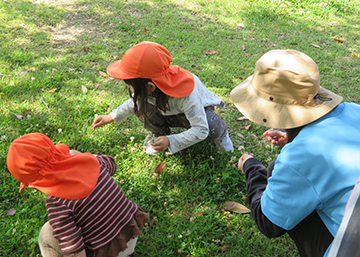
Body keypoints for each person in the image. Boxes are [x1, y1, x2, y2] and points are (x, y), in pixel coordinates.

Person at [231, 49, 360, 257]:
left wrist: (251, 167)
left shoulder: (299, 157)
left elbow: (268, 223)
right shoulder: (355, 110)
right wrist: (295, 139)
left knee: (281, 185)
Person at [6, 133, 149, 257]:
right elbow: (112, 163)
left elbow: (74, 249)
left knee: (46, 233)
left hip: (106, 252)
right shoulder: (94, 164)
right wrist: (84, 157)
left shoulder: (57, 203)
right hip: (130, 232)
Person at [92, 41, 233, 154]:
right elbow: (133, 103)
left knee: (211, 125)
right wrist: (110, 117)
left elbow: (200, 129)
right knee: (143, 108)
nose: (129, 88)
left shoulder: (185, 94)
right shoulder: (150, 87)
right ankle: (159, 137)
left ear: (150, 87)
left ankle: (222, 137)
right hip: (169, 111)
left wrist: (171, 141)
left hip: (198, 111)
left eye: (130, 86)